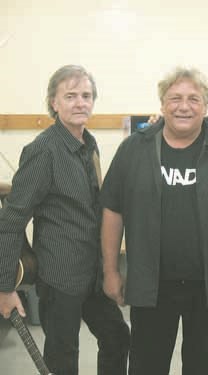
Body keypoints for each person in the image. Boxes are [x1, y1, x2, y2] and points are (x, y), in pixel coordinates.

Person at [100, 66, 208, 375]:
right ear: (162, 104)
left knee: (204, 367)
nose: (184, 106)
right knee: (147, 366)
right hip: (151, 286)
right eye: (175, 98)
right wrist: (110, 271)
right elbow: (112, 211)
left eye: (193, 98)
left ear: (205, 105)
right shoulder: (134, 150)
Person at [0, 65, 130, 375]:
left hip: (91, 273)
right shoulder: (43, 151)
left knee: (117, 336)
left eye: (86, 96)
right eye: (70, 96)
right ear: (54, 103)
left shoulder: (90, 144)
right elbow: (11, 220)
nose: (80, 103)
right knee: (63, 356)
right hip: (59, 277)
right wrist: (5, 287)